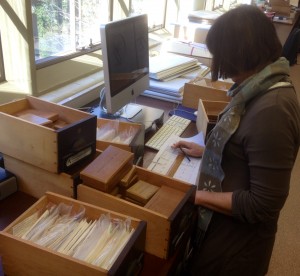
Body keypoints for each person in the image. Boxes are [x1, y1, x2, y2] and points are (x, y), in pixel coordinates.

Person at [172, 4, 300, 276]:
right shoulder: (259, 86)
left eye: (220, 55)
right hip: (226, 229)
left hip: (237, 248)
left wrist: (195, 196)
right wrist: (210, 150)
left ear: (237, 55)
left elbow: (262, 205)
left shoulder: (273, 110)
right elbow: (246, 145)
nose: (219, 64)